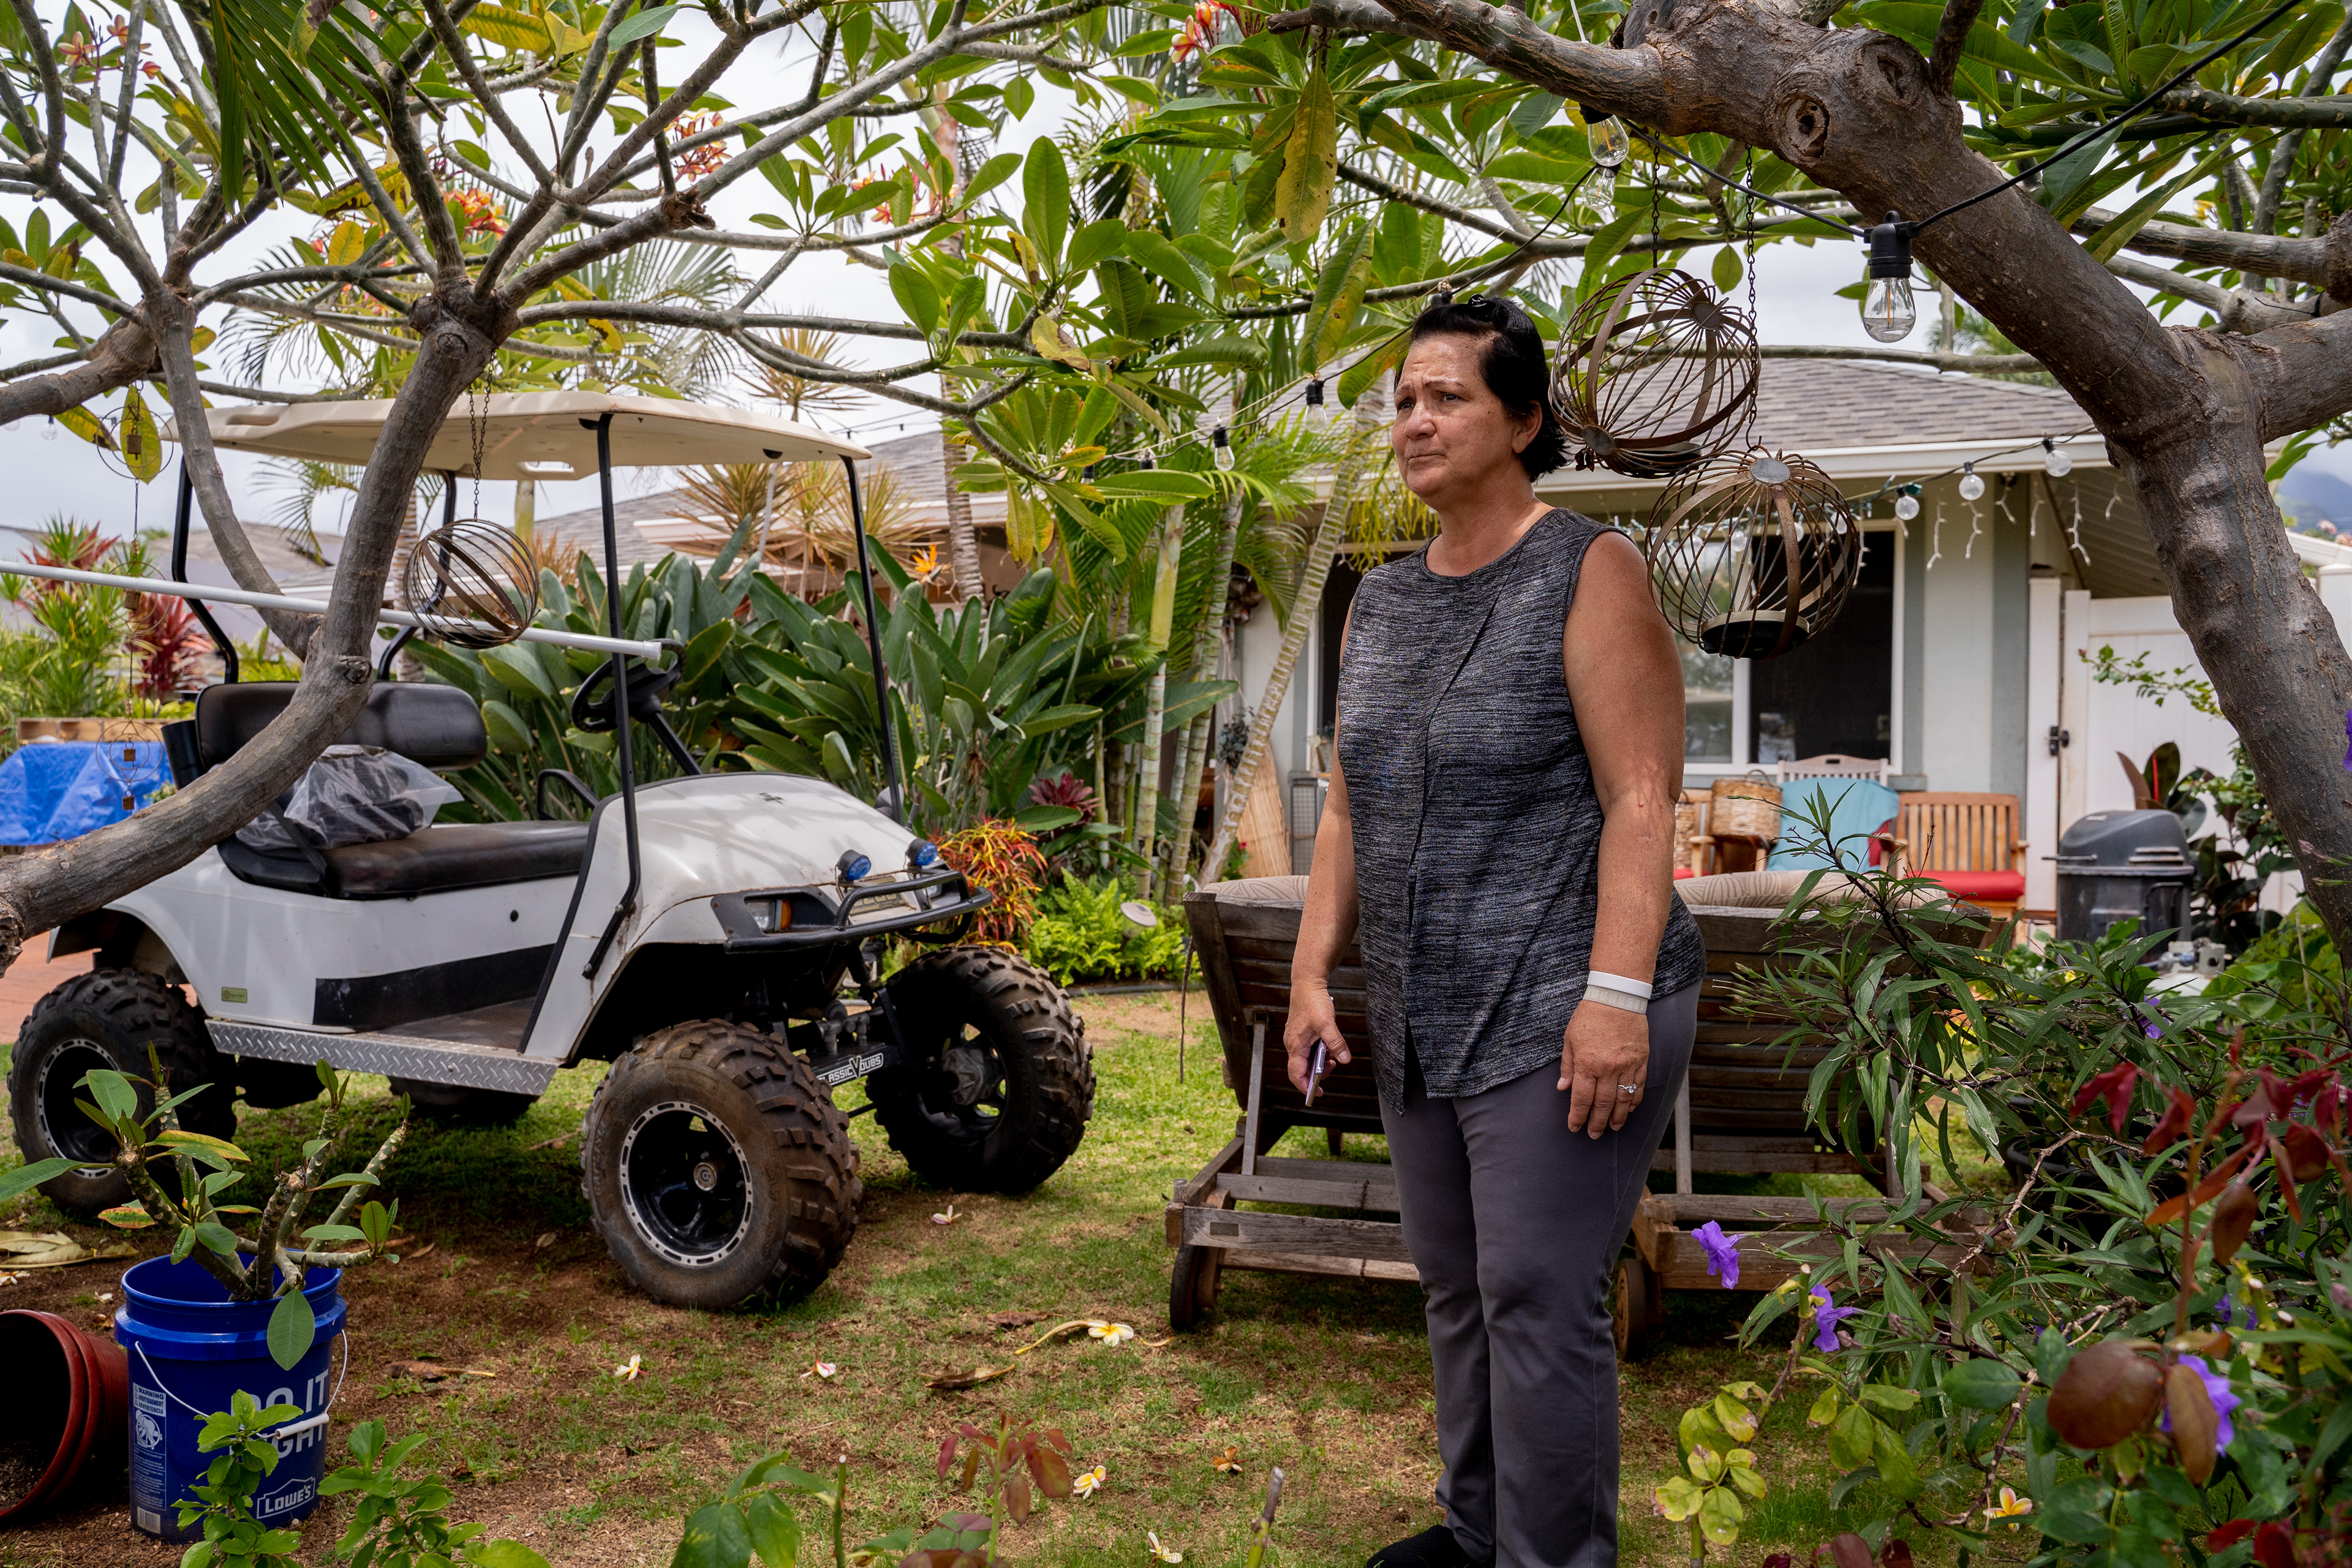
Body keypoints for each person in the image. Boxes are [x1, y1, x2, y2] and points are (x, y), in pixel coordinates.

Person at [1284, 295, 1706, 1568]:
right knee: (1460, 1288)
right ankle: (1479, 1534)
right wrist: (1311, 972)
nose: (1414, 421)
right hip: (1424, 1011)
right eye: (1404, 401)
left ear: (1523, 422)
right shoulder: (1379, 600)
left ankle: (1554, 1556)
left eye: (1447, 397)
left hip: (1565, 1000)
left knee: (1535, 1294)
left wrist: (1615, 996)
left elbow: (1643, 797)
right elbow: (1347, 805)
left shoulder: (1588, 569)